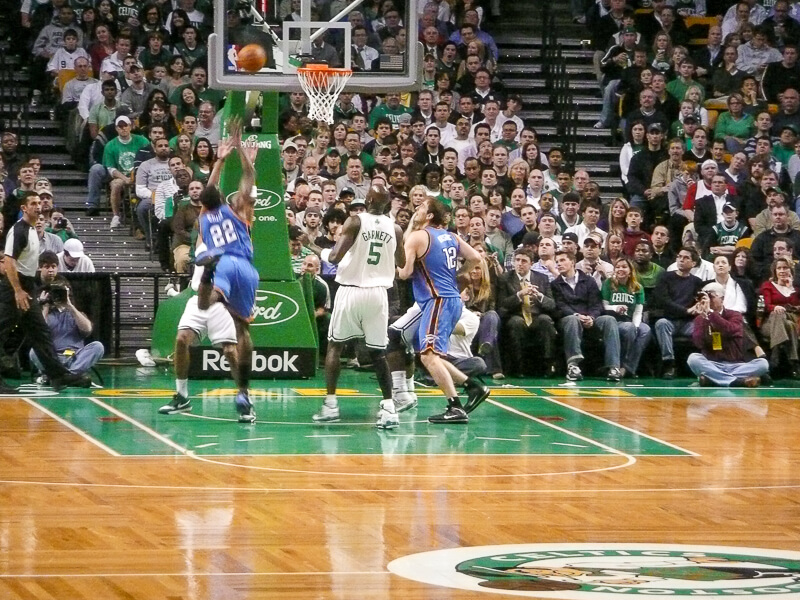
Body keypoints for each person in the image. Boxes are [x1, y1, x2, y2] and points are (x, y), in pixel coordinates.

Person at [306, 183, 406, 429]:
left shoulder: (355, 221)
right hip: (379, 294)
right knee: (378, 352)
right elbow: (401, 261)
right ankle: (389, 408)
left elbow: (334, 257)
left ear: (369, 200)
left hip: (351, 291)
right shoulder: (396, 229)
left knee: (335, 346)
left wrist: (315, 248)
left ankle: (330, 405)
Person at [187, 118, 260, 423]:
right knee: (242, 328)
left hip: (224, 264)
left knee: (205, 302)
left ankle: (207, 280)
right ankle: (243, 391)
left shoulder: (203, 219)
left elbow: (208, 189)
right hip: (247, 268)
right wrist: (243, 151)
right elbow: (249, 176)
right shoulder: (240, 208)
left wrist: (219, 160)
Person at [397, 198, 488, 424]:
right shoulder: (451, 236)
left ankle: (455, 406)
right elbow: (476, 258)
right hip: (451, 300)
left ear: (429, 215)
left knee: (428, 356)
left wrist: (393, 264)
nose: (416, 209)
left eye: (420, 207)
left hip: (437, 300)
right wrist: (457, 274)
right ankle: (472, 386)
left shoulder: (419, 236)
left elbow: (405, 273)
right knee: (431, 354)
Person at [0, 192, 91, 393]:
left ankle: (58, 375)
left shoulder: (33, 230)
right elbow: (9, 261)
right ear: (24, 208)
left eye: (39, 203)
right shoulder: (18, 230)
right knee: (2, 331)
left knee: (40, 333)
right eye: (33, 203)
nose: (38, 206)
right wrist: (17, 291)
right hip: (14, 288)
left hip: (28, 286)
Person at [158, 241, 240, 415]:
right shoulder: (204, 235)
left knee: (230, 352)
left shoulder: (235, 243)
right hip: (197, 298)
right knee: (181, 340)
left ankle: (244, 397)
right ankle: (182, 396)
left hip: (221, 300)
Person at [30, 252, 104, 381]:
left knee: (98, 346)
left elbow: (87, 330)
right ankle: (71, 376)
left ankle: (67, 375)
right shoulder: (45, 314)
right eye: (47, 267)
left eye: (53, 266)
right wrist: (45, 306)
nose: (51, 270)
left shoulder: (75, 313)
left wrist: (69, 305)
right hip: (52, 357)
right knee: (33, 351)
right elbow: (40, 332)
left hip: (75, 356)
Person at [687, 282, 770, 386]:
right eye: (705, 296)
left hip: (737, 365)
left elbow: (729, 330)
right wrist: (705, 318)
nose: (708, 300)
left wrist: (711, 314)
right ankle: (737, 381)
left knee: (763, 364)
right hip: (713, 364)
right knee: (693, 358)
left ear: (722, 298)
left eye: (711, 296)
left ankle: (713, 379)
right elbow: (699, 343)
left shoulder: (735, 315)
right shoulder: (700, 319)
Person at [496, 247, 558, 378]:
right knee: (516, 323)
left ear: (531, 263)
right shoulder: (505, 278)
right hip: (516, 315)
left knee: (546, 320)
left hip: (536, 316)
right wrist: (520, 294)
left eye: (524, 261)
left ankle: (548, 365)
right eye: (517, 260)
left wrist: (539, 296)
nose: (519, 263)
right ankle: (518, 368)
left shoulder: (542, 278)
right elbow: (502, 304)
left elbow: (552, 304)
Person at [652, 246, 706, 378]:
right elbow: (664, 301)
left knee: (705, 324)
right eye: (679, 257)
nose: (681, 259)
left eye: (686, 257)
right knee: (661, 323)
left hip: (688, 322)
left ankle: (704, 364)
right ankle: (669, 364)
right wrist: (686, 310)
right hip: (670, 320)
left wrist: (698, 308)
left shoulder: (697, 282)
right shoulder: (665, 277)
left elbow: (699, 300)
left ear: (693, 263)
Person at [601, 257, 652, 378]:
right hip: (613, 321)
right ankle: (619, 367)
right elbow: (604, 306)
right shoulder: (608, 283)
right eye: (617, 267)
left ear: (630, 270)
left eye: (624, 267)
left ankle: (627, 368)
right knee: (629, 328)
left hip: (630, 320)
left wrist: (636, 326)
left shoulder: (638, 287)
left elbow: (638, 311)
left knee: (645, 330)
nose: (620, 269)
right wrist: (616, 308)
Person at [759, 256, 800, 377]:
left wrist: (789, 288)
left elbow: (796, 306)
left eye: (785, 268)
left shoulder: (796, 289)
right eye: (779, 268)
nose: (782, 271)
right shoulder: (768, 285)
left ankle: (775, 357)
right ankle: (794, 362)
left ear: (790, 271)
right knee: (780, 317)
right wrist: (775, 307)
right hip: (769, 324)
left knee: (789, 323)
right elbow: (766, 305)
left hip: (791, 319)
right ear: (775, 271)